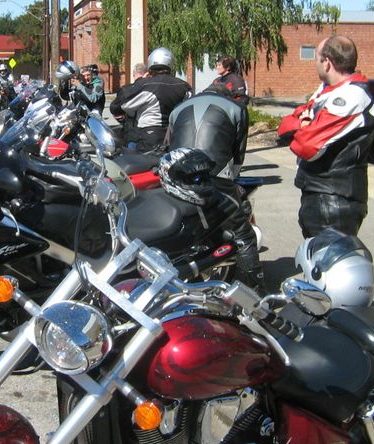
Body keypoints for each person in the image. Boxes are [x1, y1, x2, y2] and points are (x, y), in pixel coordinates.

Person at [165, 84, 266, 294]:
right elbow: (238, 154)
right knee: (243, 235)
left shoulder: (177, 109)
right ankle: (256, 293)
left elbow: (169, 145)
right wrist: (232, 179)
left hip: (176, 180)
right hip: (213, 180)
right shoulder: (236, 109)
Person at [277, 35, 374, 238]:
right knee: (313, 255)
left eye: (316, 59)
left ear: (327, 63)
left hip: (335, 202)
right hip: (318, 196)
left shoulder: (351, 96)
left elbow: (307, 145)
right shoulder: (326, 91)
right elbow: (286, 126)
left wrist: (305, 126)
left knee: (328, 257)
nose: (315, 64)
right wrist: (304, 125)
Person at [111, 47, 191, 152]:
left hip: (150, 137)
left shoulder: (145, 85)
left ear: (151, 64)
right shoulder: (184, 86)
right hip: (176, 137)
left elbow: (117, 106)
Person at [110, 62, 147, 145]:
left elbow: (114, 108)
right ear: (146, 74)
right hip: (149, 132)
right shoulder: (152, 88)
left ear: (133, 73)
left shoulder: (126, 89)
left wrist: (123, 118)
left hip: (132, 131)